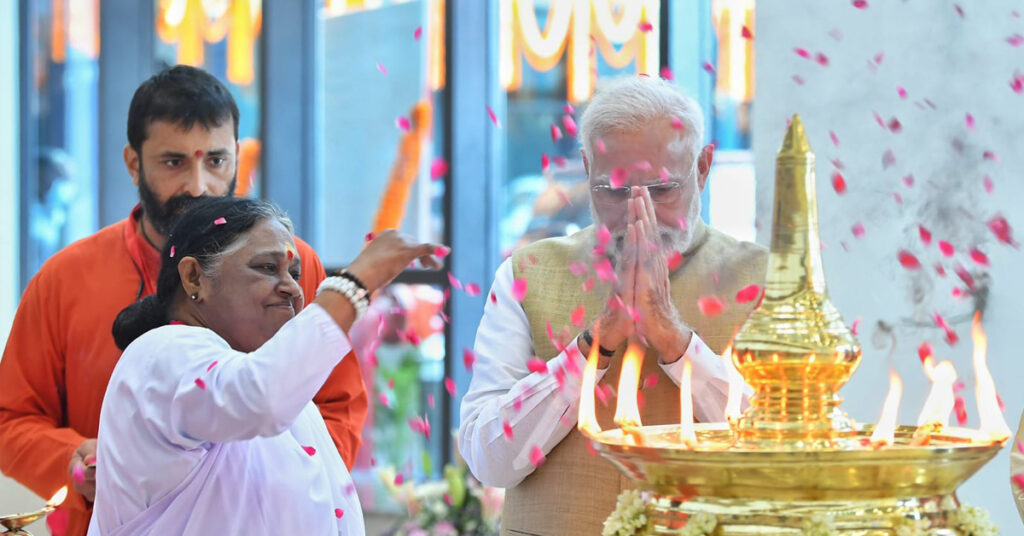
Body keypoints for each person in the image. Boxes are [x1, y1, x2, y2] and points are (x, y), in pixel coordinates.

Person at [0, 65, 367, 535]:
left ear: (238, 155)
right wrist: (74, 462)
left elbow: (338, 406)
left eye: (216, 161)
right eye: (174, 162)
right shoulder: (66, 278)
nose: (199, 186)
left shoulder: (294, 269)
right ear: (134, 163)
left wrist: (275, 481)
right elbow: (13, 420)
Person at [458, 76, 768, 536]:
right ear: (586, 169)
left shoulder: (761, 279)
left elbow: (776, 454)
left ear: (703, 168)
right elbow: (489, 460)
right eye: (614, 190)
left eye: (663, 190)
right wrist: (592, 348)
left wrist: (676, 342)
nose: (637, 213)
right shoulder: (527, 274)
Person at [85, 196, 443, 535]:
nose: (291, 288)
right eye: (268, 268)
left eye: (295, 273)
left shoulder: (265, 378)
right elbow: (258, 397)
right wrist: (354, 284)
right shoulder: (161, 352)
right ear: (194, 277)